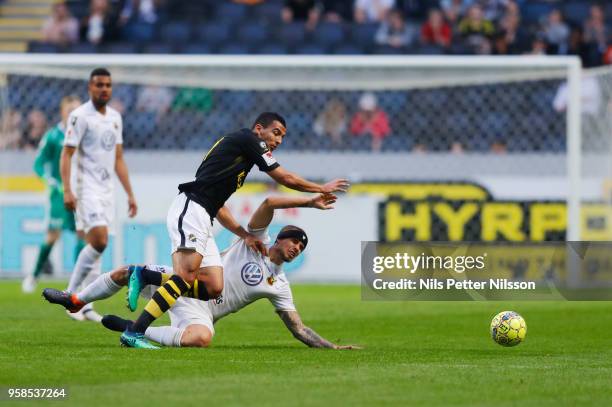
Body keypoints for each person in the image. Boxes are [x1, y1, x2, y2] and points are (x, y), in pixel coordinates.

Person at [120, 112, 349, 348]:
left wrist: (245, 235)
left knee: (213, 286)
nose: (279, 141)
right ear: (259, 129)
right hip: (192, 207)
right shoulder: (250, 140)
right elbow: (285, 177)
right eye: (276, 133)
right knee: (185, 277)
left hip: (204, 214)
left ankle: (144, 278)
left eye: (282, 137)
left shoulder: (241, 156)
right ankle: (134, 330)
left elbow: (219, 206)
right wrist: (319, 189)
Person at [43, 194, 361, 350]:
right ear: (279, 239)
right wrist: (309, 200)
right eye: (294, 242)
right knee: (125, 273)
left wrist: (331, 347)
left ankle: (130, 327)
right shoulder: (254, 241)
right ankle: (76, 299)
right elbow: (269, 201)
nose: (296, 249)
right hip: (189, 282)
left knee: (202, 339)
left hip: (202, 311)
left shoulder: (279, 285)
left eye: (301, 248)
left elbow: (299, 329)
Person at [59, 67, 137, 322]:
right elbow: (67, 154)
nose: (104, 89)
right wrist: (67, 189)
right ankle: (70, 295)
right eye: (99, 85)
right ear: (90, 88)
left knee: (98, 247)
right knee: (100, 240)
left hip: (107, 190)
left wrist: (130, 194)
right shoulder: (79, 116)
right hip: (85, 189)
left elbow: (118, 158)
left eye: (107, 85)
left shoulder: (115, 117)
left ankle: (86, 306)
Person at [22, 96, 86, 295]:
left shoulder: (86, 135)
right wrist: (52, 182)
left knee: (81, 234)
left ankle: (77, 283)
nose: (74, 115)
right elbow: (38, 164)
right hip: (59, 195)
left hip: (82, 193)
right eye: (70, 111)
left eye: (77, 111)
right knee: (52, 235)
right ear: (62, 112)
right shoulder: (53, 136)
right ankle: (33, 275)